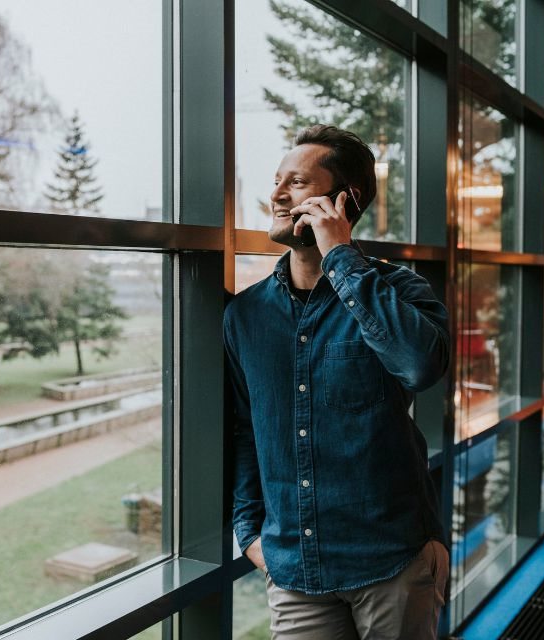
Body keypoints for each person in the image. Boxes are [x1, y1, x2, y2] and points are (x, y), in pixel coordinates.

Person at [223, 124, 450, 640]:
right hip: (295, 570)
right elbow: (244, 431)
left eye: (297, 182)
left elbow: (420, 365)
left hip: (392, 560)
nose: (277, 194)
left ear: (344, 201)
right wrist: (248, 532)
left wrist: (340, 255)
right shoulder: (246, 315)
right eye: (276, 181)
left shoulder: (398, 290)